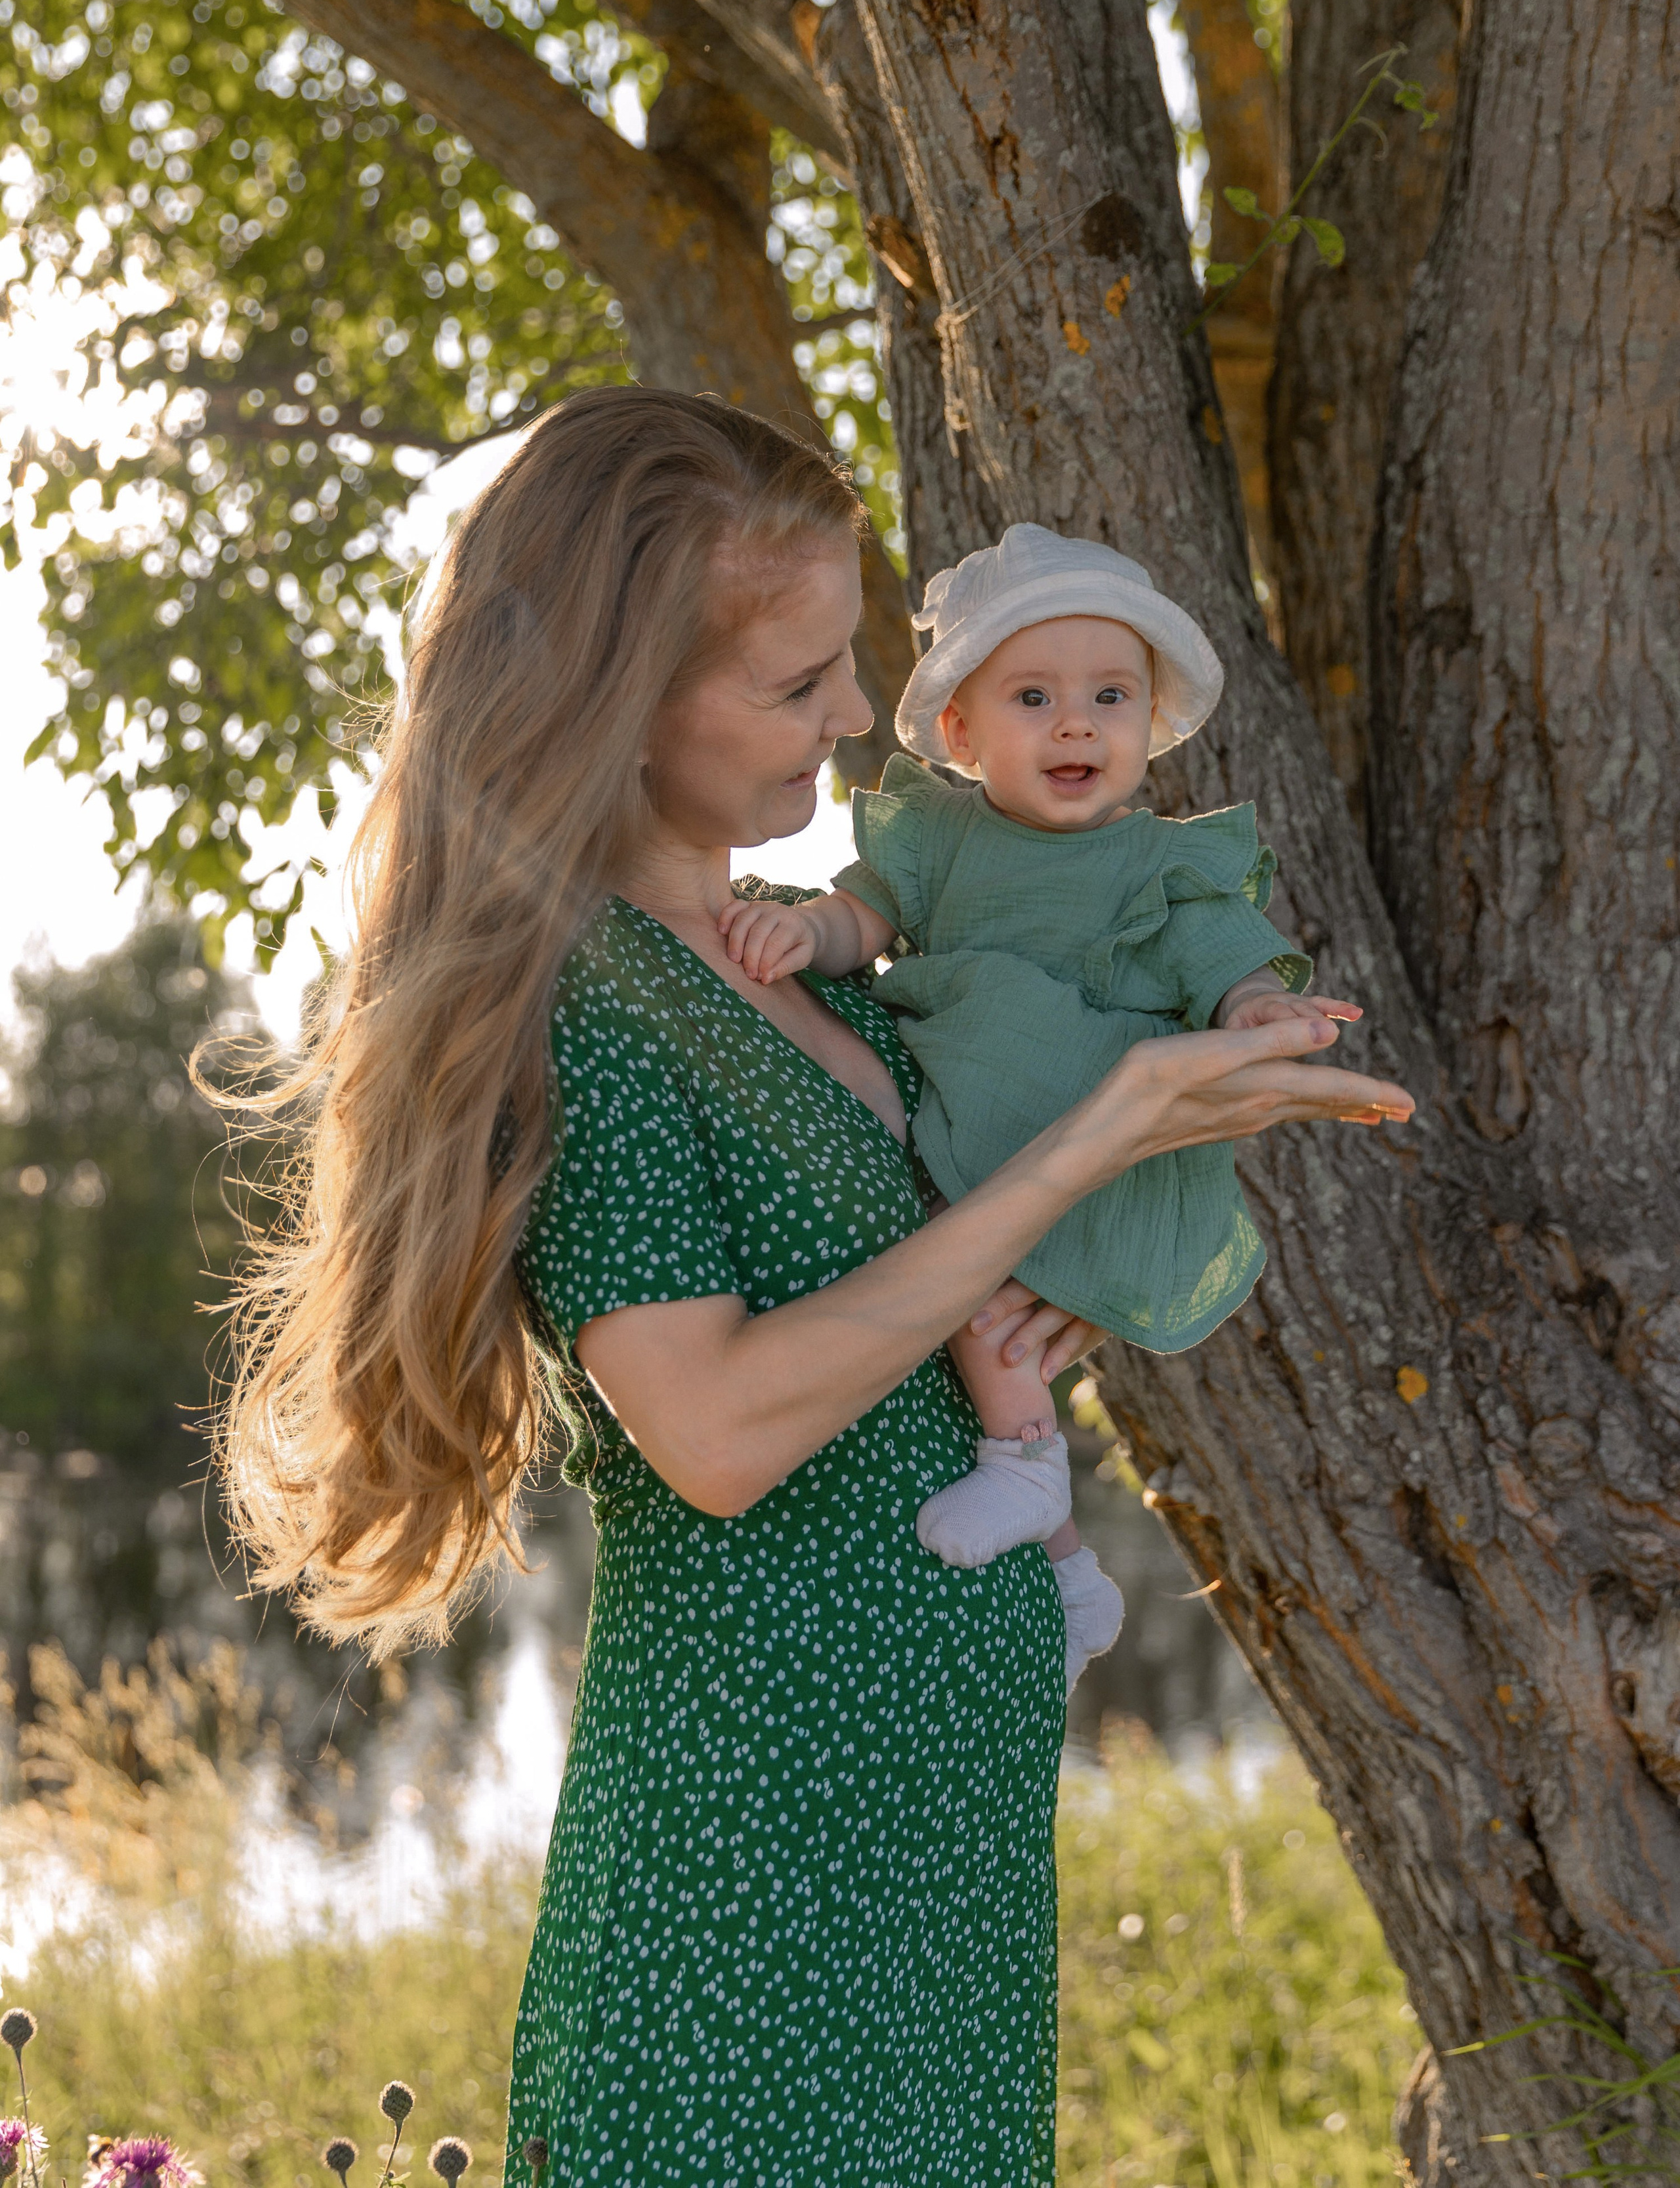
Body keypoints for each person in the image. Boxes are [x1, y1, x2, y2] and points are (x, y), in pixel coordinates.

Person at [209, 390, 1414, 2187]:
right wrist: (1081, 1149)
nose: (859, 717)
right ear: (620, 699)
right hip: (752, 1886)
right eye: (798, 684)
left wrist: (1167, 1115)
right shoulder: (592, 1010)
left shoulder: (843, 987)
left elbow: (953, 1279)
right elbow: (711, 1429)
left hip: (936, 1855)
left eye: (851, 664)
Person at [717, 523, 1366, 1685]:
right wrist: (803, 931)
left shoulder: (1163, 865)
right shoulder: (942, 838)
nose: (1077, 723)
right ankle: (1069, 1567)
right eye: (1034, 695)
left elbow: (1232, 967)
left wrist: (1267, 1013)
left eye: (1110, 696)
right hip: (980, 1126)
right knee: (967, 1281)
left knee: (987, 1298)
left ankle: (1028, 1475)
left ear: (1148, 726)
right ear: (961, 733)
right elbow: (859, 916)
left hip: (1086, 1129)